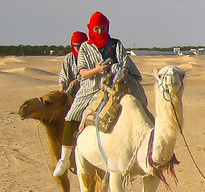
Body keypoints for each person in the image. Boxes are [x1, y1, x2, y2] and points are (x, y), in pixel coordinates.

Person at [52, 12, 148, 177]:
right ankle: (65, 158)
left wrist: (121, 70)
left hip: (117, 84)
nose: (100, 31)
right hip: (92, 87)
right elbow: (82, 72)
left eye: (103, 28)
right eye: (96, 28)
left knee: (140, 105)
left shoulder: (116, 44)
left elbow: (125, 62)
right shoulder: (85, 48)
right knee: (72, 115)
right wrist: (97, 69)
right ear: (91, 29)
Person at [58, 31, 88, 95]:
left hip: (87, 89)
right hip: (71, 91)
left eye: (79, 45)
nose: (77, 48)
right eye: (74, 45)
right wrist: (62, 86)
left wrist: (78, 80)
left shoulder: (90, 56)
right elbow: (64, 74)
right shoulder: (69, 57)